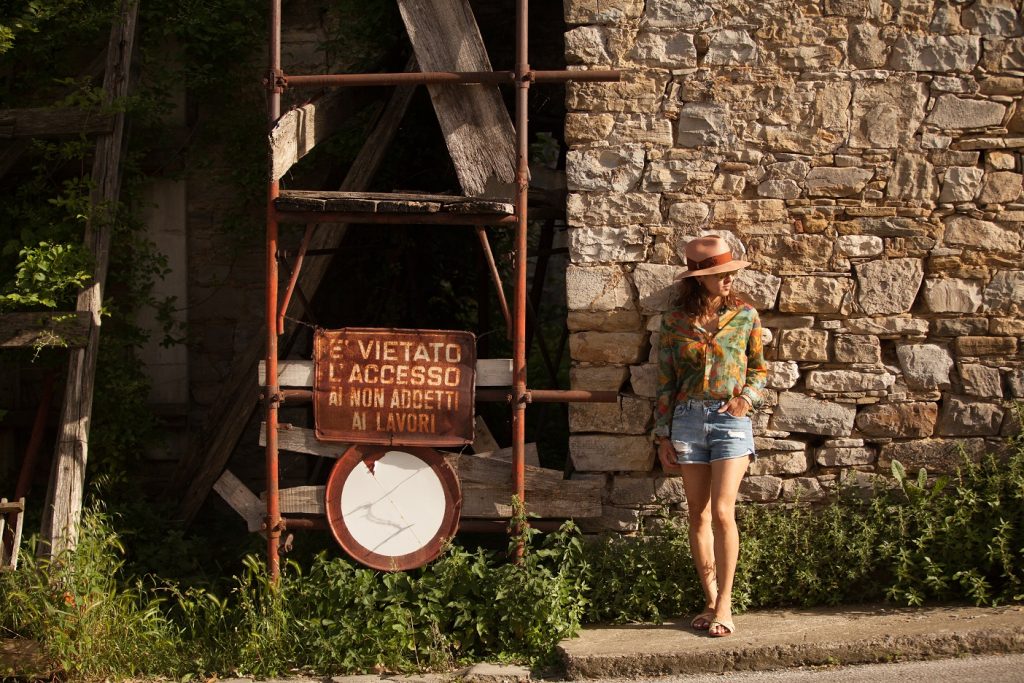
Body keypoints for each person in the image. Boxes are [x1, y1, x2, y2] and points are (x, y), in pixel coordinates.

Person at [653, 234, 767, 638]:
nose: (729, 280)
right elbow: (665, 382)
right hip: (685, 421)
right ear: (698, 278)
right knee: (697, 514)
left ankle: (725, 603)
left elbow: (759, 370)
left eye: (731, 273)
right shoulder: (673, 323)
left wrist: (745, 401)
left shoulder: (746, 316)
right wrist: (661, 436)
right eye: (720, 274)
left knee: (722, 512)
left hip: (729, 420)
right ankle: (708, 597)